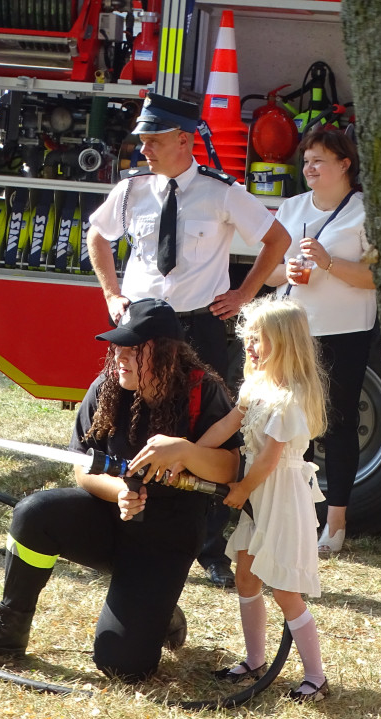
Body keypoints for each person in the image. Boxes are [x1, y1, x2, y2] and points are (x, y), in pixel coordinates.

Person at [0, 298, 242, 681]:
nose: (120, 356)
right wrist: (118, 491)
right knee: (35, 513)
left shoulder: (203, 391)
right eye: (117, 346)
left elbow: (230, 470)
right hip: (110, 520)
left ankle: (157, 607)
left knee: (122, 666)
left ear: (167, 353)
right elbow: (83, 468)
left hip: (167, 534)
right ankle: (8, 629)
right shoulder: (106, 387)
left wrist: (184, 450)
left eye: (134, 349)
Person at [86, 93, 292, 588]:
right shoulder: (133, 190)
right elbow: (97, 235)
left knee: (208, 430)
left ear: (184, 140)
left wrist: (244, 292)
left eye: (154, 141)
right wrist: (112, 293)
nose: (145, 150)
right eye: (143, 141)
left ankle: (209, 546)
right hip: (139, 328)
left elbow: (278, 239)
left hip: (195, 327)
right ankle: (120, 506)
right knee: (125, 417)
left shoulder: (221, 192)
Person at [133, 297, 330, 701]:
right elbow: (226, 425)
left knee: (285, 589)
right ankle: (255, 659)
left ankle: (316, 676)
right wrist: (190, 454)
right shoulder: (256, 388)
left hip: (279, 495)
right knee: (246, 573)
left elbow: (272, 459)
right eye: (250, 338)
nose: (251, 347)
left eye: (261, 340)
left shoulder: (287, 402)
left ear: (286, 344)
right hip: (261, 493)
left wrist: (241, 490)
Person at [265, 128, 376, 556]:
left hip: (344, 331)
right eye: (306, 161)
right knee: (291, 427)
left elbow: (375, 279)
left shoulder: (364, 211)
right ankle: (294, 518)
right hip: (291, 330)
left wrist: (329, 264)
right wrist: (286, 271)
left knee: (338, 424)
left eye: (319, 161)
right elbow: (269, 271)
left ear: (345, 164)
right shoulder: (292, 207)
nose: (309, 169)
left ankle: (335, 524)